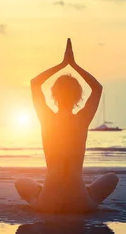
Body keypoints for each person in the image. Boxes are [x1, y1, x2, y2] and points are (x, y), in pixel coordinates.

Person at [15, 38, 119, 214]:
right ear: (79, 97)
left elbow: (35, 83)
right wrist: (73, 65)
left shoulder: (47, 118)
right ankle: (85, 192)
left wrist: (62, 64)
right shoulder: (82, 119)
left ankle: (38, 197)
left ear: (54, 95)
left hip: (48, 203)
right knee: (112, 178)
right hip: (79, 203)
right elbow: (97, 88)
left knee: (20, 182)